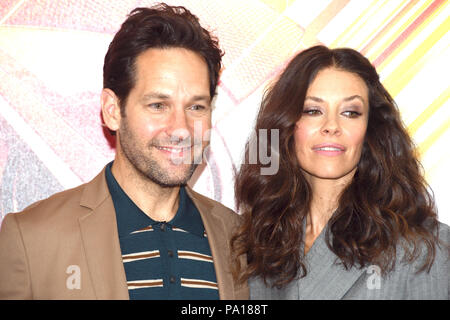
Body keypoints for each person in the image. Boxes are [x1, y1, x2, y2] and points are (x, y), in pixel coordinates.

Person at [0, 3, 248, 300]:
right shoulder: (32, 239)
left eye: (196, 107)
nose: (181, 129)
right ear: (112, 110)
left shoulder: (236, 238)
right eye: (158, 105)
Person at [231, 45, 449, 299]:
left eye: (350, 112)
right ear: (286, 126)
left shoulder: (425, 249)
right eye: (313, 111)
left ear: (371, 129)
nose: (331, 126)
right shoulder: (257, 243)